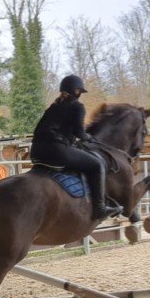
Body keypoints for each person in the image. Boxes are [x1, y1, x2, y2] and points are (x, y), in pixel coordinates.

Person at [30, 74, 121, 220]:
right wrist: (90, 138)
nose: (79, 94)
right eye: (79, 91)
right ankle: (100, 208)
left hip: (36, 152)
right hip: (56, 151)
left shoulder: (54, 106)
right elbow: (79, 132)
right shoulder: (77, 106)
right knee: (97, 165)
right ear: (76, 91)